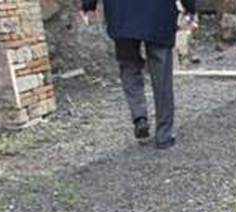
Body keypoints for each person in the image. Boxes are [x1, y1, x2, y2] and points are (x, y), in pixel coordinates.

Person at [79, 0, 198, 149]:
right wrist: (190, 8)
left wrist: (88, 5)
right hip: (158, 13)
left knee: (128, 66)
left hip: (120, 12)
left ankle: (139, 117)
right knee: (161, 75)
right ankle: (164, 135)